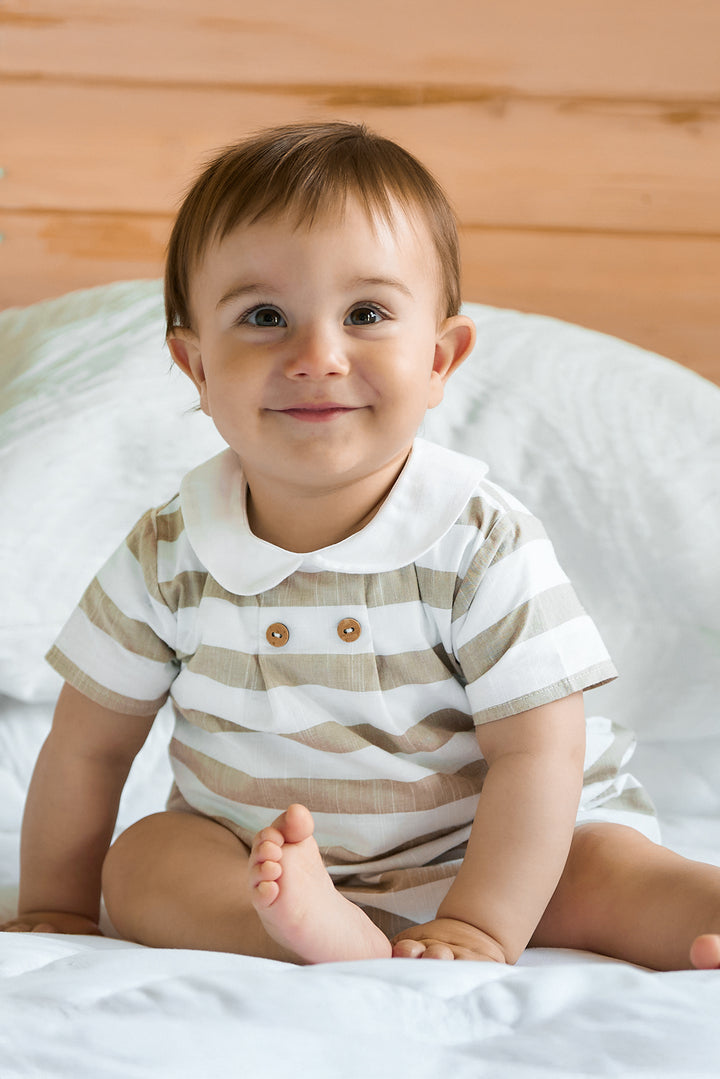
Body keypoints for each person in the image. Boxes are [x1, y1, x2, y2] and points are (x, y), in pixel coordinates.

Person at [3, 121, 719, 969]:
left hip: (493, 851)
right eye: (265, 316)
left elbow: (542, 749)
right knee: (146, 862)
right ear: (195, 367)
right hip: (258, 858)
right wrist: (52, 903)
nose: (318, 355)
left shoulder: (478, 540)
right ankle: (312, 933)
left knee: (612, 867)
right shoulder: (169, 550)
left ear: (441, 358)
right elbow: (90, 743)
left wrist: (479, 924)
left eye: (367, 313)